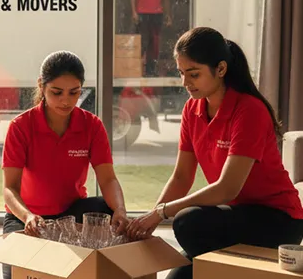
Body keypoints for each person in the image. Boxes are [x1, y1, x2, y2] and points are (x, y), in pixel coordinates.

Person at [127, 27, 303, 279]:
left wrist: (162, 212)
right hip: (231, 221)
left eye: (194, 74)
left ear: (220, 69)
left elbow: (227, 189)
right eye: (181, 73)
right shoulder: (192, 109)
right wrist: (149, 221)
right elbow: (181, 177)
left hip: (278, 221)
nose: (185, 83)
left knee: (187, 222)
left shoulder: (249, 110)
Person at [1, 51, 130, 279]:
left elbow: (108, 178)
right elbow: (9, 189)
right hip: (28, 218)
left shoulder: (92, 126)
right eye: (57, 92)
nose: (66, 100)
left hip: (70, 214)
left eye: (75, 92)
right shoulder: (21, 127)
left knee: (106, 209)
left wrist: (120, 209)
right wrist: (27, 216)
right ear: (41, 86)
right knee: (16, 272)